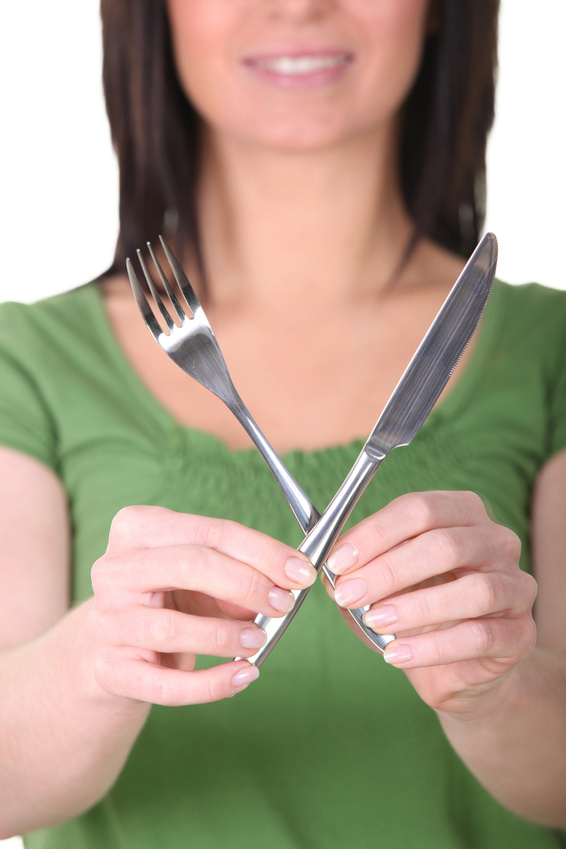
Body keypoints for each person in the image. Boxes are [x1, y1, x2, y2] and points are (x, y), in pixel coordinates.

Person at [0, 1, 565, 847]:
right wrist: (96, 660)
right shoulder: (31, 359)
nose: (298, 4)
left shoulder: (548, 348)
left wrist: (499, 689)